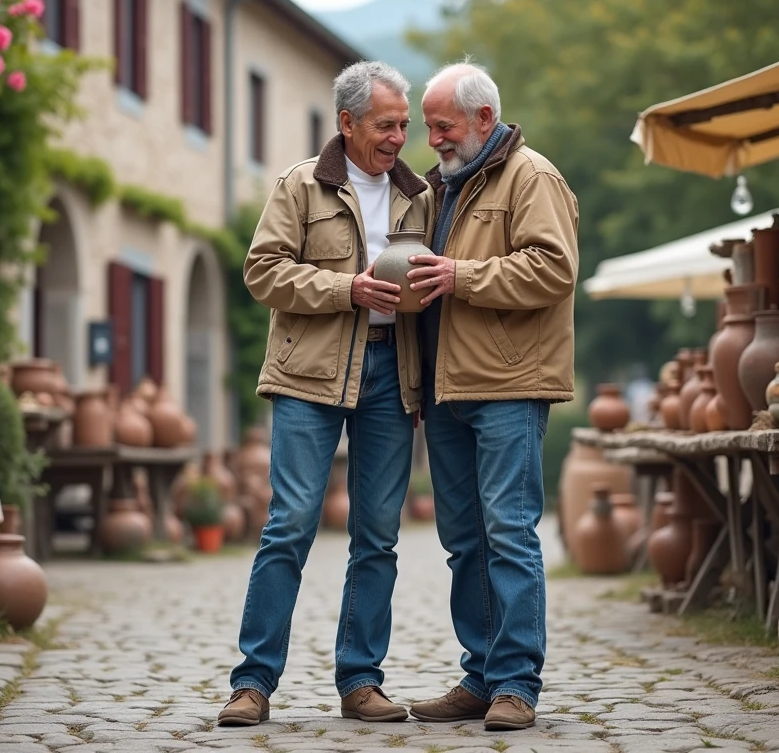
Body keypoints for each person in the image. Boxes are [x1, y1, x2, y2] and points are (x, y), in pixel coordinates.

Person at [218, 61, 433, 727]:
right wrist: (348, 289)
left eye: (404, 125)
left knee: (378, 536)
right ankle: (253, 683)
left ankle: (361, 681)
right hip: (308, 375)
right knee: (289, 525)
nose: (399, 137)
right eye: (386, 125)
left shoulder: (420, 195)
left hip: (390, 372)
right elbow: (263, 272)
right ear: (347, 122)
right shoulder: (300, 184)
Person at [406, 61, 579, 731]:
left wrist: (462, 275)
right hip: (447, 389)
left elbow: (554, 269)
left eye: (442, 126)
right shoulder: (441, 187)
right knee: (463, 540)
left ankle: (515, 683)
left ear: (484, 118)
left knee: (508, 532)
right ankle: (480, 675)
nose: (433, 140)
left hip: (510, 385)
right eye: (428, 128)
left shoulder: (533, 176)